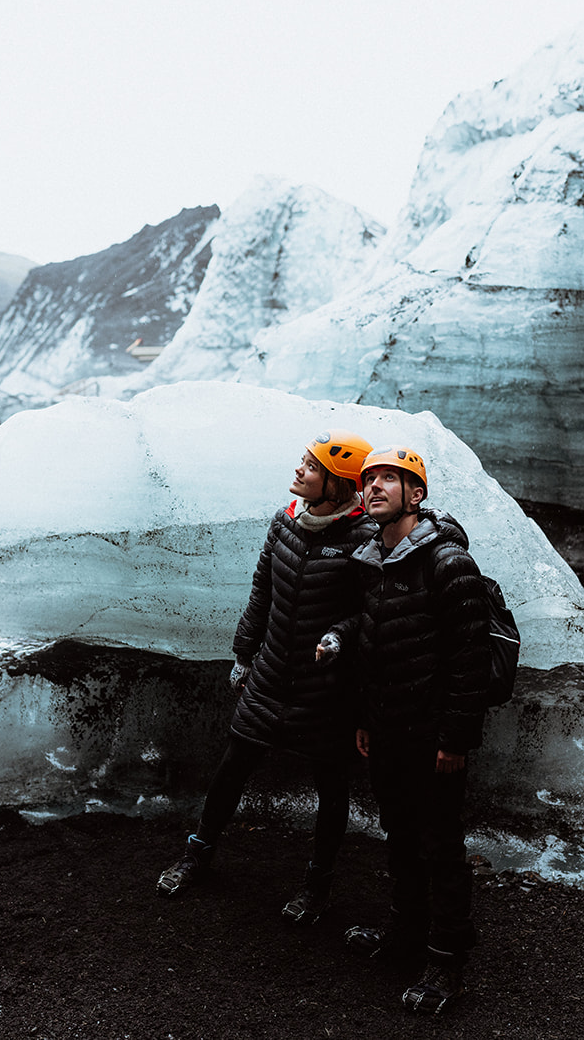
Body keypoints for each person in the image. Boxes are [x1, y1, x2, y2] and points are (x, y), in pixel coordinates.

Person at [157, 429, 377, 926]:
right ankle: (197, 854)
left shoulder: (364, 539)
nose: (299, 470)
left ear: (338, 483)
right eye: (303, 462)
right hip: (272, 672)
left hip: (327, 688)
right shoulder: (285, 523)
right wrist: (242, 653)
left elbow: (370, 612)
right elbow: (262, 591)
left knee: (330, 785)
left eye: (311, 466)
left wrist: (339, 636)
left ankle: (316, 887)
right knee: (232, 767)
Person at [315, 444, 490, 1015]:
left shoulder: (448, 563)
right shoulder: (371, 561)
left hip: (432, 734)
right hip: (387, 728)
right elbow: (374, 638)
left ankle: (446, 959)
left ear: (416, 495)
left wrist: (455, 739)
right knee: (399, 836)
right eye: (369, 481)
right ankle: (405, 934)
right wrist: (366, 717)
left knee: (440, 844)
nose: (376, 487)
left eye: (391, 479)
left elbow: (470, 656)